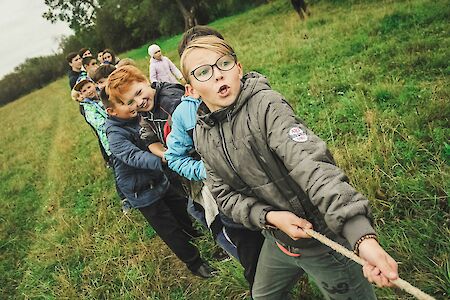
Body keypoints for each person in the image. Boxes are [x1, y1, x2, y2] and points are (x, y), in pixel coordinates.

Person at [180, 35, 399, 299]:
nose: (217, 76)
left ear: (238, 68)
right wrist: (270, 217)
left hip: (321, 241)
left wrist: (361, 236)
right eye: (203, 72)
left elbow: (311, 165)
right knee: (263, 296)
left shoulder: (267, 107)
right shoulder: (202, 135)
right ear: (190, 90)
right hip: (278, 239)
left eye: (224, 63)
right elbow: (224, 196)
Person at [163, 25, 265, 290]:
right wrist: (208, 170)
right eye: (202, 67)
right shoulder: (186, 114)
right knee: (254, 263)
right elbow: (174, 157)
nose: (215, 73)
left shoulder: (252, 94)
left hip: (267, 187)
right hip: (231, 200)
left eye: (220, 59)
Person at [103, 75, 214, 278]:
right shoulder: (114, 135)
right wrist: (167, 159)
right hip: (141, 190)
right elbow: (133, 156)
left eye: (134, 97)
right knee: (168, 228)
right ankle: (195, 263)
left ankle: (193, 234)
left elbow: (153, 134)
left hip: (160, 178)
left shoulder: (141, 113)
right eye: (125, 103)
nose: (134, 105)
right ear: (112, 111)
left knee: (181, 208)